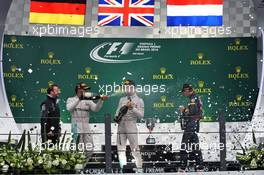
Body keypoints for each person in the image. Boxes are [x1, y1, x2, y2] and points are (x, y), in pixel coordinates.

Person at [66, 82, 108, 162]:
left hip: (86, 127)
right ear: (79, 90)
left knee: (90, 148)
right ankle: (77, 169)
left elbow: (96, 109)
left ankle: (82, 166)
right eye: (84, 90)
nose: (86, 91)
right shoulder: (70, 99)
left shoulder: (88, 100)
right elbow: (69, 108)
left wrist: (101, 100)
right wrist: (79, 99)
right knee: (77, 149)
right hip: (76, 128)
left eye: (86, 90)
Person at [115, 80, 144, 172]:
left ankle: (139, 169)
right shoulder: (122, 100)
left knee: (135, 148)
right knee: (120, 149)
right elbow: (117, 111)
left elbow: (141, 116)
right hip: (121, 125)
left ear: (133, 88)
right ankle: (122, 168)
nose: (126, 89)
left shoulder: (139, 100)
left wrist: (133, 108)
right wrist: (116, 117)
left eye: (128, 87)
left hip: (131, 124)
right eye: (125, 87)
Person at [179, 83, 203, 172]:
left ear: (187, 90)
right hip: (193, 125)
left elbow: (193, 112)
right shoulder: (194, 97)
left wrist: (184, 110)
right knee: (195, 146)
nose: (183, 94)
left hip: (191, 125)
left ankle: (183, 167)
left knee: (184, 146)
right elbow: (195, 112)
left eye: (183, 92)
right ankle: (200, 167)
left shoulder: (193, 98)